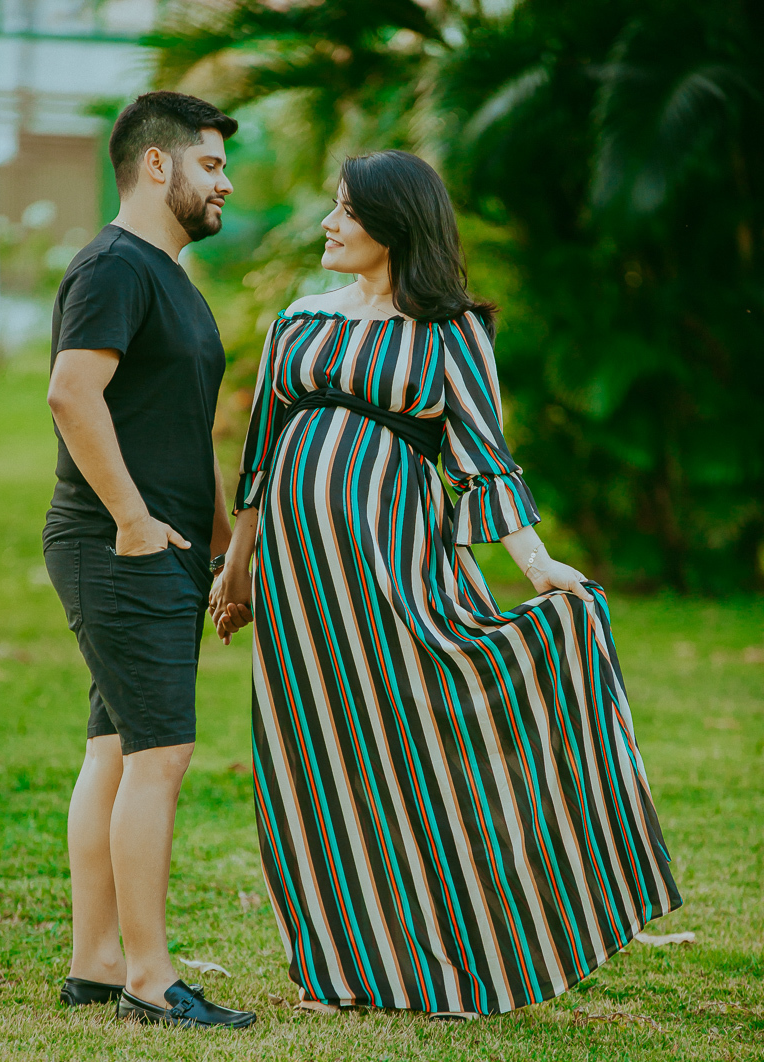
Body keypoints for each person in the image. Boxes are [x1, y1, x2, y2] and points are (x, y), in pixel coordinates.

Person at [211, 150, 681, 1018]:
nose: (329, 223)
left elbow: (481, 458)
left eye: (347, 210)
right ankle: (339, 968)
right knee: (313, 761)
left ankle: (464, 952)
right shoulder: (299, 321)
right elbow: (261, 457)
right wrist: (237, 566)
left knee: (422, 749)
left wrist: (537, 566)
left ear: (396, 225)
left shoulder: (450, 330)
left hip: (394, 567)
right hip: (300, 588)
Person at [44, 91, 255, 1029]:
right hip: (117, 545)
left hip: (159, 548)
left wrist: (222, 552)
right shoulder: (115, 266)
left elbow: (183, 430)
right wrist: (131, 521)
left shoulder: (167, 276)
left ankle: (96, 962)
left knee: (117, 750)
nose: (225, 183)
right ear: (157, 164)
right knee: (161, 755)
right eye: (211, 164)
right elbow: (71, 393)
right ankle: (150, 977)